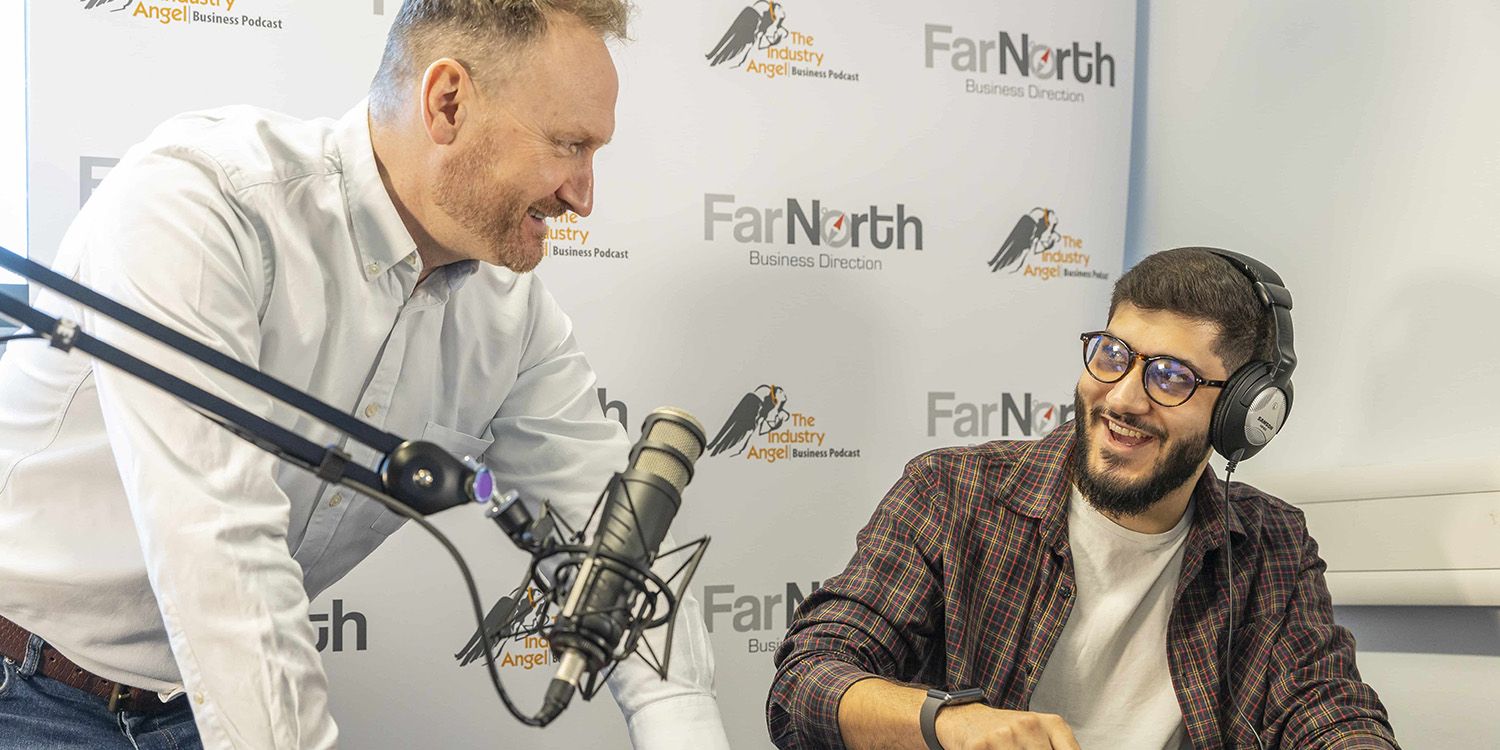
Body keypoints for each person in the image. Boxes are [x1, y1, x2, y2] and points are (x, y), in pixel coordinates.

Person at [0, 1, 730, 748]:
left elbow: (622, 560)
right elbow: (223, 555)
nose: (583, 194)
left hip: (202, 704)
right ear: (447, 102)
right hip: (25, 687)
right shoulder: (202, 203)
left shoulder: (512, 317)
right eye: (568, 145)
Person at [766, 247, 1397, 749]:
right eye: (1112, 355)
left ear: (1241, 415)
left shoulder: (1268, 542)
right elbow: (809, 681)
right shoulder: (951, 494)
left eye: (1170, 376)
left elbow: (1326, 708)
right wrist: (953, 724)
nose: (1122, 397)